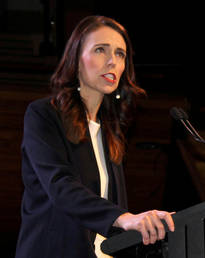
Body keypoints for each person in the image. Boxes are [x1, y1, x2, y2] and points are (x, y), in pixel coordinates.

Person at [15, 15, 175, 258]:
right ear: (76, 59)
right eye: (101, 50)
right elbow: (60, 186)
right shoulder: (43, 115)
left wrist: (149, 223)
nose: (112, 61)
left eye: (120, 54)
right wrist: (124, 218)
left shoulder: (110, 129)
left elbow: (111, 210)